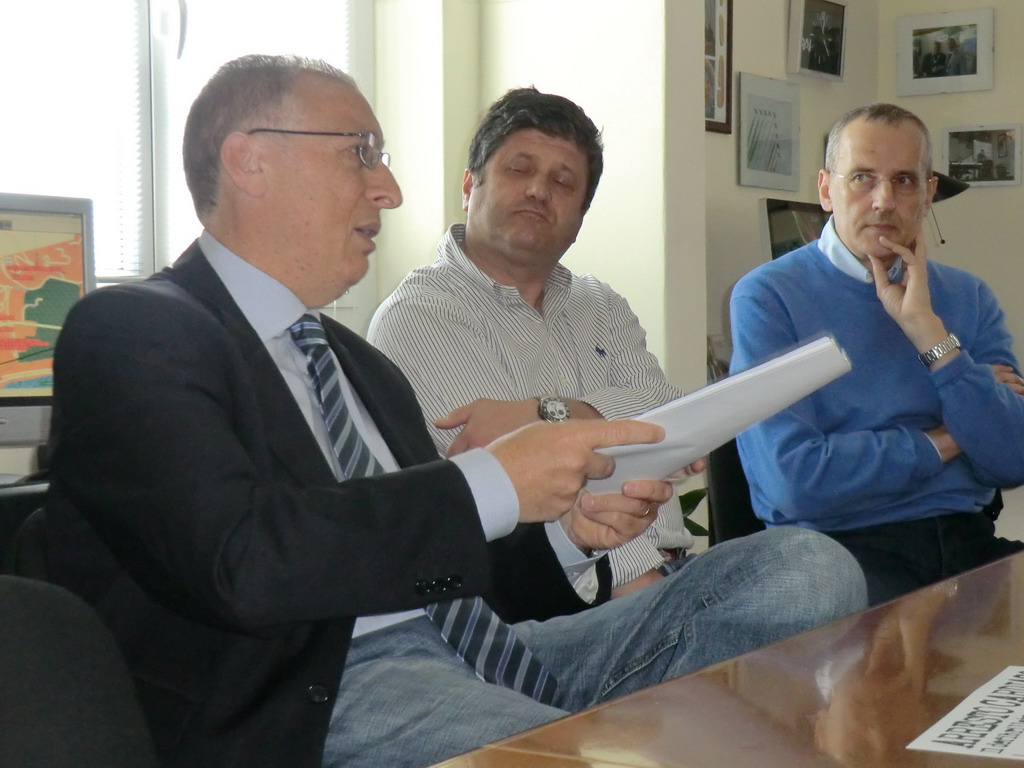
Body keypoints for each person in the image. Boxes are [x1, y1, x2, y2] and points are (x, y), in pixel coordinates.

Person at [41, 55, 866, 768]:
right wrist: (495, 479)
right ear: (250, 161)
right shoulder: (133, 331)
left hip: (482, 652)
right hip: (323, 685)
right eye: (360, 153)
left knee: (805, 569)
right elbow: (244, 561)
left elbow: (449, 573)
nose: (391, 188)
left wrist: (567, 534)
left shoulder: (358, 366)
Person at [369, 87, 694, 599]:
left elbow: (668, 418)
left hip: (678, 571)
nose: (539, 191)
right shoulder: (420, 315)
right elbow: (521, 476)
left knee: (802, 564)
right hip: (564, 599)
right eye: (519, 170)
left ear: (580, 217)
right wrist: (642, 590)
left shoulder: (602, 304)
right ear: (469, 186)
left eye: (563, 182)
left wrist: (548, 415)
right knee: (803, 568)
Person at [730, 102, 1024, 607]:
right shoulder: (768, 297)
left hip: (967, 540)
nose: (884, 201)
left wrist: (929, 333)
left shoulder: (967, 296)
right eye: (862, 178)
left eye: (904, 181)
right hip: (840, 558)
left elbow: (1012, 458)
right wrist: (951, 436)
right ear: (826, 190)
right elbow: (794, 482)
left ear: (928, 193)